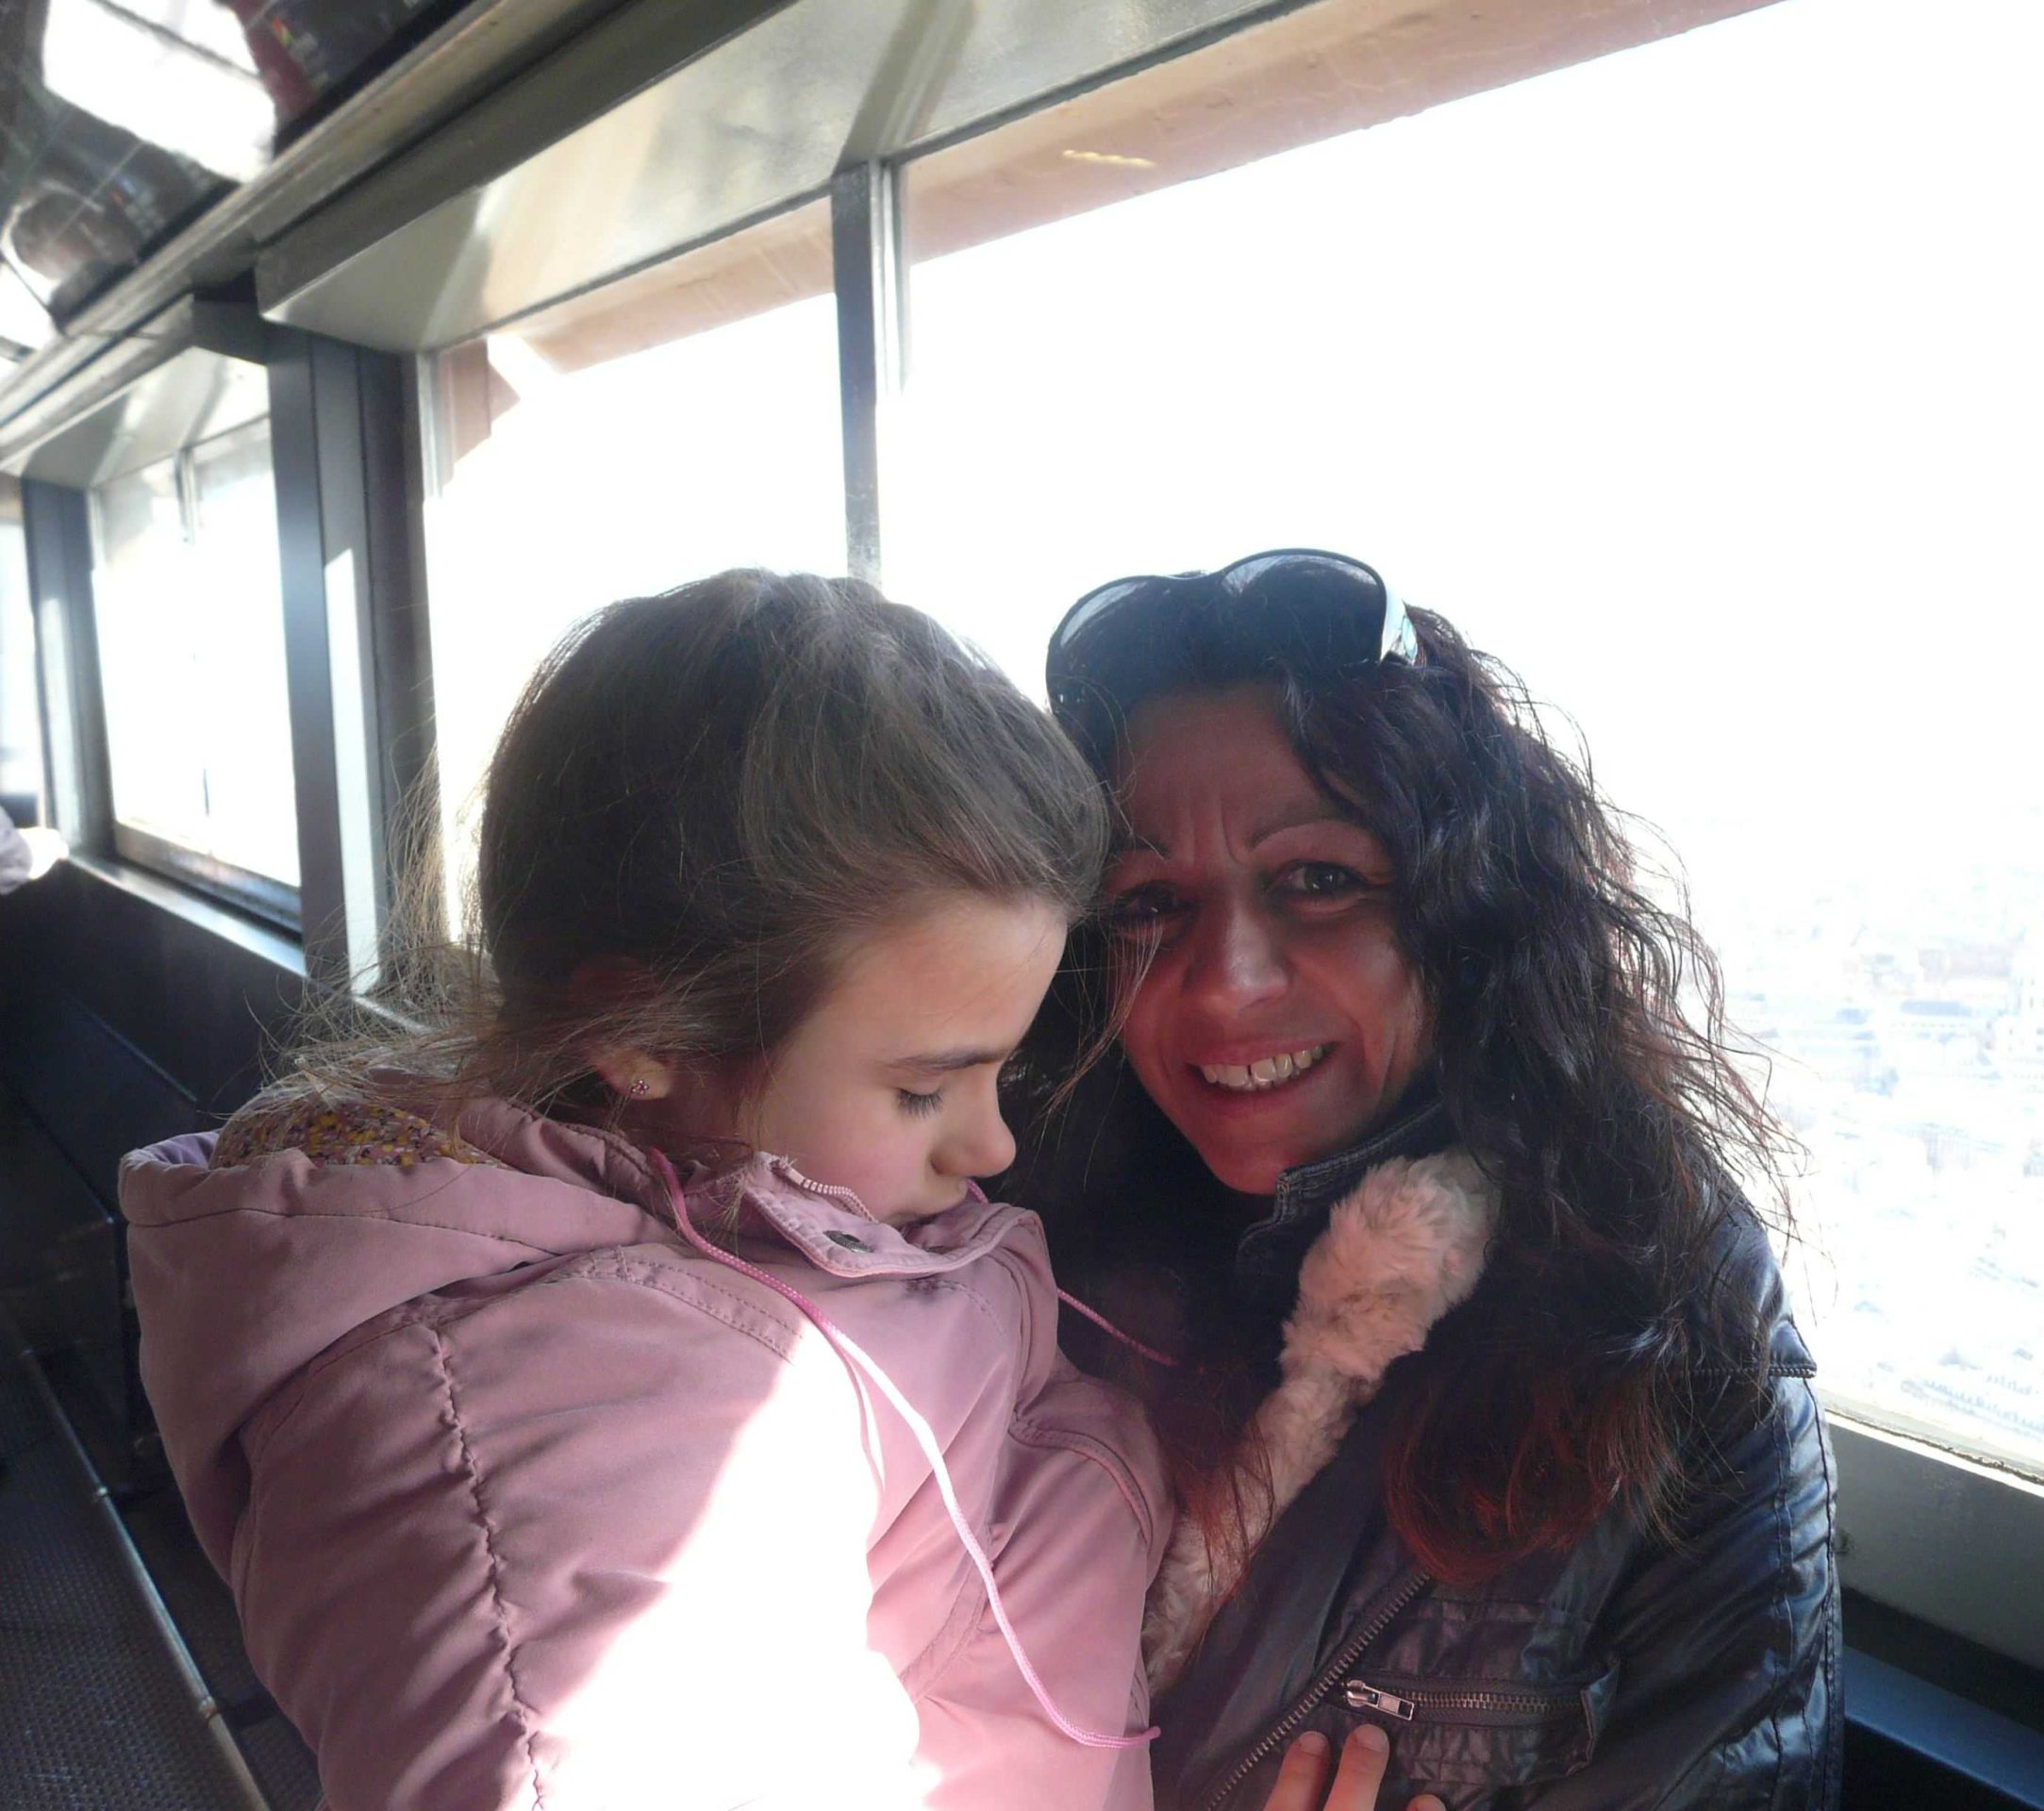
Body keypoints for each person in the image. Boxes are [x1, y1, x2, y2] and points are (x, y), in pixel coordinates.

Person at [119, 572, 1172, 1810]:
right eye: (924, 1089)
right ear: (642, 1033)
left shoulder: (746, 1212)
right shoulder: (577, 1439)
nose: (991, 1146)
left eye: (1007, 1072)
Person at [1012, 550, 1842, 1811]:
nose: (1227, 978)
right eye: (1148, 903)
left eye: (1320, 880)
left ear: (1469, 914)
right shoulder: (1002, 1255)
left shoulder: (1667, 1321)